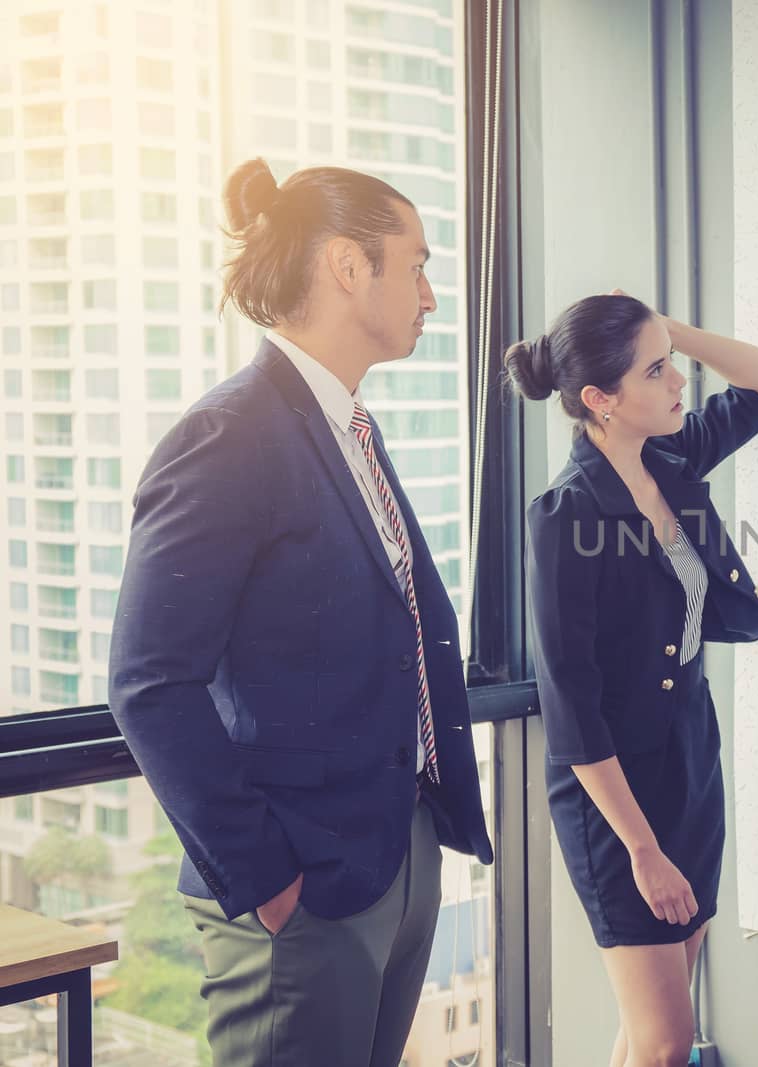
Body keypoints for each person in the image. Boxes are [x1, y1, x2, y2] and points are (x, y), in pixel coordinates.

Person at [109, 158, 493, 1067]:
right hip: (303, 887)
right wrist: (270, 880)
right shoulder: (228, 435)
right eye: (418, 264)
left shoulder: (351, 426)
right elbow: (148, 681)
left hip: (393, 855)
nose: (431, 295)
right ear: (347, 267)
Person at [507, 293, 758, 1067]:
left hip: (690, 765)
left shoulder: (669, 458)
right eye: (657, 370)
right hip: (614, 798)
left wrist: (674, 334)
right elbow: (574, 711)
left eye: (672, 364)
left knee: (648, 1033)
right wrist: (641, 849)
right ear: (600, 400)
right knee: (669, 1041)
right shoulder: (563, 516)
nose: (679, 383)